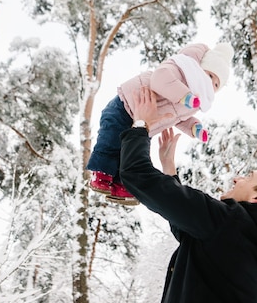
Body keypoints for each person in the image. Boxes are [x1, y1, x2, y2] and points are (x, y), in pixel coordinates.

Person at [118, 86, 257, 303]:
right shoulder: (254, 240)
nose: (237, 178)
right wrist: (170, 171)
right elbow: (189, 234)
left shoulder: (231, 222)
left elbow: (136, 175)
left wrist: (141, 124)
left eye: (249, 176)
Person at [87, 42, 234, 205]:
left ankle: (121, 184)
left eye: (216, 84)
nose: (210, 83)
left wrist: (194, 128)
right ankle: (100, 173)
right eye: (211, 75)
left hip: (143, 125)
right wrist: (184, 96)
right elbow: (159, 80)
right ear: (201, 67)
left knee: (129, 153)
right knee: (112, 138)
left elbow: (179, 118)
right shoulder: (180, 70)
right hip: (125, 106)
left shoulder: (195, 101)